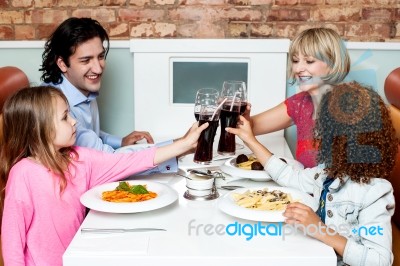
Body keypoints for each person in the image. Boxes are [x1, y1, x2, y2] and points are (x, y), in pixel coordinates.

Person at [0, 85, 208, 266]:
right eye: (65, 117)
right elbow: (12, 241)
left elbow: (130, 161)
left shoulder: (79, 159)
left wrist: (181, 145)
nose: (74, 122)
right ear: (39, 129)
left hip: (77, 259)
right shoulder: (23, 173)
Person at [228, 81, 397, 265]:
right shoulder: (328, 172)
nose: (316, 133)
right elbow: (291, 176)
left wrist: (319, 229)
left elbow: (380, 261)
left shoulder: (373, 192)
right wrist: (249, 139)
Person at [39, 17, 177, 174]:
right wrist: (176, 149)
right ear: (62, 64)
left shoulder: (80, 86)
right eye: (86, 60)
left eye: (100, 56)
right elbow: (110, 161)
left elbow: (89, 135)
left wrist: (121, 141)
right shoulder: (54, 104)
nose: (98, 69)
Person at [245, 27, 351, 168]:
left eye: (309, 61)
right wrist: (242, 117)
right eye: (295, 60)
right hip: (303, 188)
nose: (298, 69)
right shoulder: (300, 103)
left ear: (332, 64)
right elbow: (252, 126)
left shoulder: (350, 109)